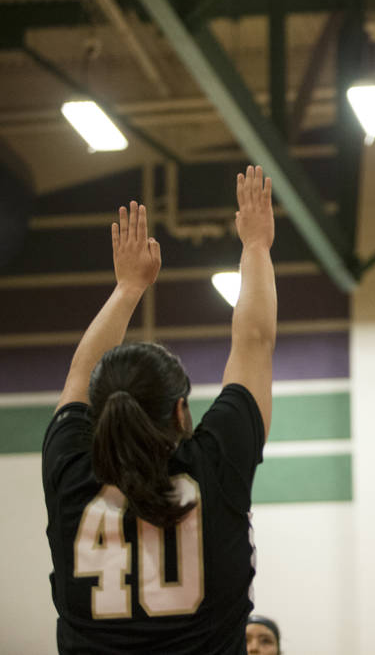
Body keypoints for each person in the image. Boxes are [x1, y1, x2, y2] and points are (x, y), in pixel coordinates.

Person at [42, 166, 277, 653]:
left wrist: (128, 288)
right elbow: (253, 341)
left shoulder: (70, 476)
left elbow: (77, 376)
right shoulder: (215, 468)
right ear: (179, 411)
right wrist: (256, 246)